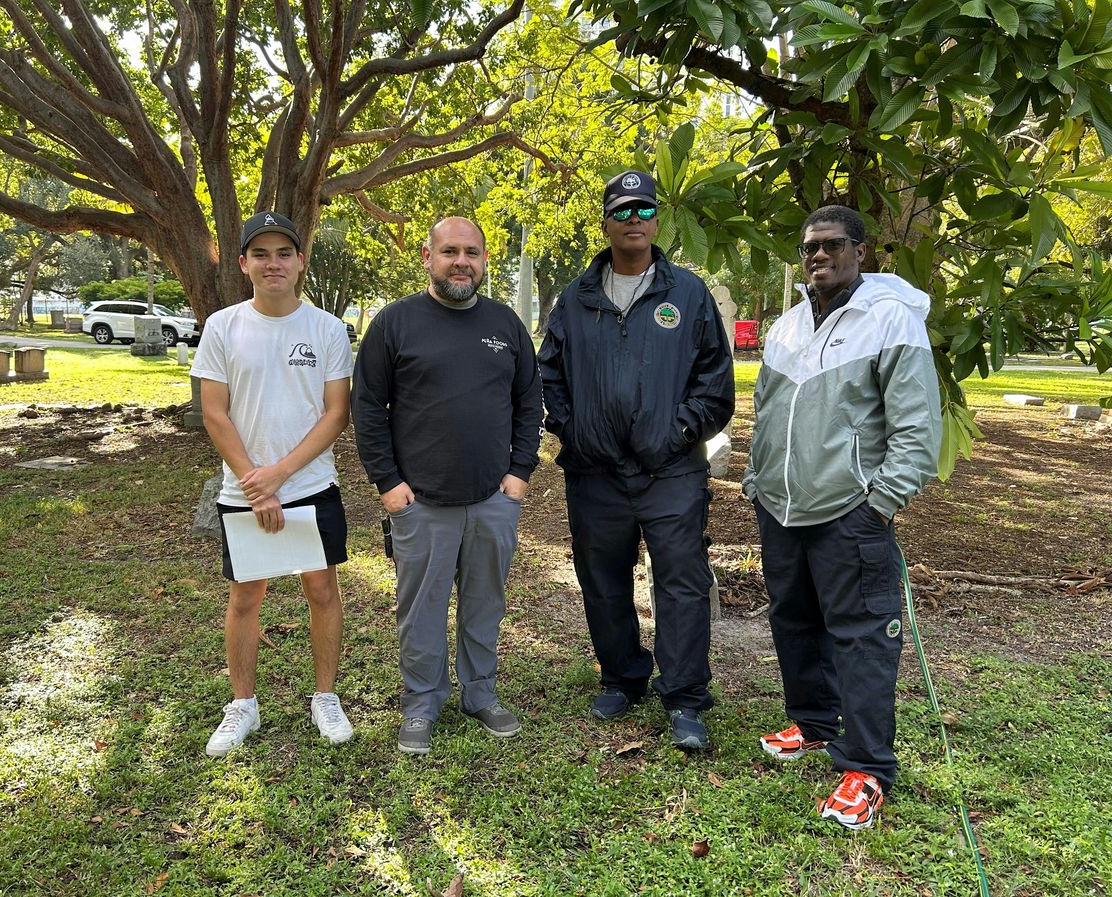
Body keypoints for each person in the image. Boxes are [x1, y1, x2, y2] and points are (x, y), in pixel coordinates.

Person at [743, 205, 942, 829]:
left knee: (860, 635)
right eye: (809, 248)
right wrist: (756, 479)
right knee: (794, 619)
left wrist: (878, 504)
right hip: (781, 506)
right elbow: (767, 408)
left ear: (861, 250)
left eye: (831, 245)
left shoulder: (890, 320)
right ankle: (811, 722)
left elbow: (916, 428)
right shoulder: (788, 326)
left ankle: (867, 767)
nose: (818, 256)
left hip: (848, 511)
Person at [538, 171, 735, 750]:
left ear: (656, 221)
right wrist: (574, 428)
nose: (633, 220)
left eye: (643, 210)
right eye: (622, 211)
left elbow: (715, 381)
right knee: (602, 581)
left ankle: (686, 697)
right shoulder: (575, 298)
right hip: (594, 471)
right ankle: (623, 676)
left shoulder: (689, 294)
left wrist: (676, 430)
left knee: (681, 583)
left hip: (670, 470)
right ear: (605, 223)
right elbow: (548, 373)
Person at [351, 217, 543, 755]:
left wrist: (519, 474)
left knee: (485, 604)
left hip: (493, 501)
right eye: (450, 251)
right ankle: (422, 701)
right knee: (422, 609)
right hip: (420, 504)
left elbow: (530, 403)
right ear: (427, 255)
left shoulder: (506, 324)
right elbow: (367, 409)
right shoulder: (394, 324)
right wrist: (388, 484)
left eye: (473, 252)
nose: (462, 261)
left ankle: (480, 694)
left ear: (485, 259)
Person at [193, 210, 355, 757]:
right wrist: (253, 481)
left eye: (283, 253)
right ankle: (242, 704)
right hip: (243, 491)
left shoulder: (327, 329)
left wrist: (280, 476)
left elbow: (336, 413)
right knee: (246, 597)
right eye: (260, 254)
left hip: (310, 484)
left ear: (300, 261)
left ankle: (325, 697)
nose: (273, 263)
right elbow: (214, 412)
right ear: (243, 264)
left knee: (321, 589)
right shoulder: (223, 326)